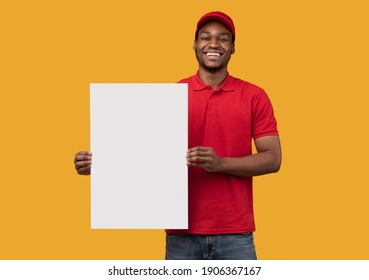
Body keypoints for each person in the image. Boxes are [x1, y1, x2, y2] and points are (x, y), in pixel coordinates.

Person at [74, 11, 281, 260]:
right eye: (206, 37)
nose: (213, 44)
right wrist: (105, 165)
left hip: (235, 233)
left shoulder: (254, 95)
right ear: (195, 44)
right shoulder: (171, 97)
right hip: (181, 234)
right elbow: (144, 155)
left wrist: (220, 163)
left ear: (233, 48)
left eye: (223, 39)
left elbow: (273, 159)